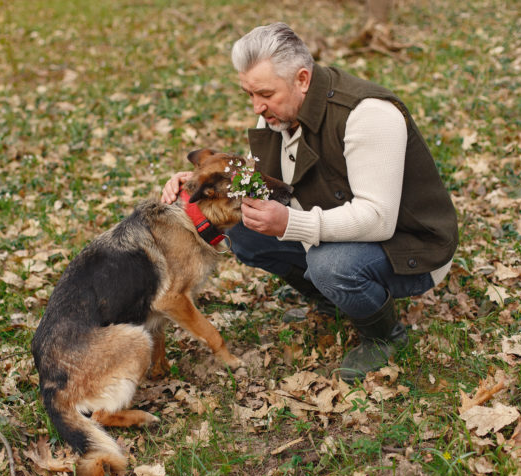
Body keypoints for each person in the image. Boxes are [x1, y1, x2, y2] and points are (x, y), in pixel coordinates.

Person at [161, 22, 458, 382]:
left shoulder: (368, 115)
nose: (257, 106)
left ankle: (384, 337)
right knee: (242, 230)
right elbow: (269, 184)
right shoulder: (279, 111)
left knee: (328, 263)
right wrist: (199, 180)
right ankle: (331, 301)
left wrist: (290, 224)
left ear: (303, 79)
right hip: (336, 221)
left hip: (410, 245)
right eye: (249, 94)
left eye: (265, 94)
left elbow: (379, 218)